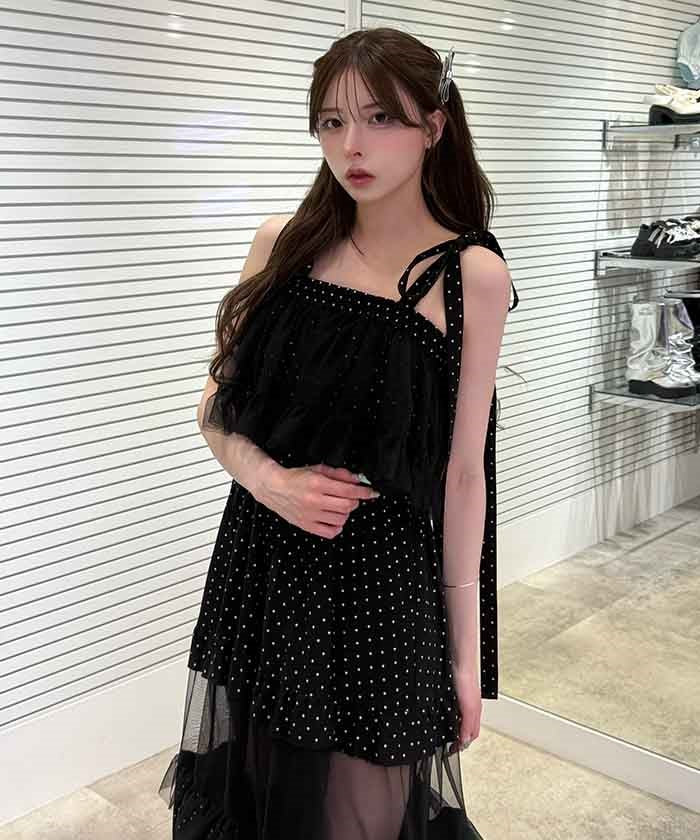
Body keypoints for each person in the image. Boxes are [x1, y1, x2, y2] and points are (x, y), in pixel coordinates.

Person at [158, 25, 519, 840]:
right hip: (263, 566)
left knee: (363, 818)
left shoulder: (468, 276)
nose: (352, 145)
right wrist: (269, 481)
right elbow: (213, 409)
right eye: (331, 121)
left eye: (380, 118)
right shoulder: (282, 246)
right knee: (254, 804)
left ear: (433, 126)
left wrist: (466, 661)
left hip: (383, 588)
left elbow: (465, 475)